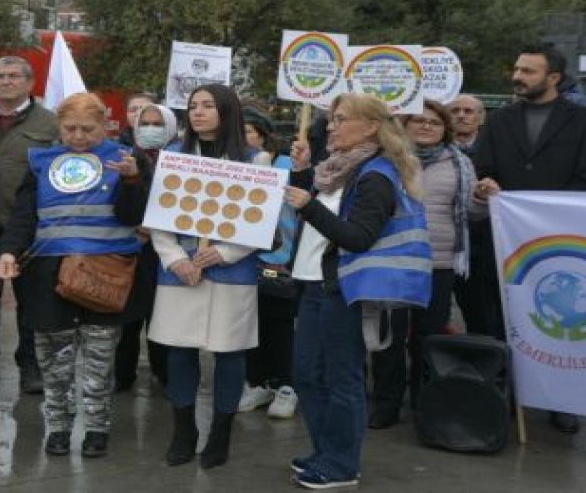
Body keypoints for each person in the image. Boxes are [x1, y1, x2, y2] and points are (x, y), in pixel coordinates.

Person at [283, 93, 429, 490]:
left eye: (341, 118)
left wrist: (309, 205)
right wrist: (301, 175)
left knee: (340, 379)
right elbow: (312, 212)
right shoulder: (338, 168)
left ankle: (342, 465)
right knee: (307, 375)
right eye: (331, 118)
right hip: (315, 283)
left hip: (342, 290)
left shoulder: (377, 175)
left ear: (370, 127)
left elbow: (358, 238)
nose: (331, 125)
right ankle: (325, 453)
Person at [0, 92, 150, 458]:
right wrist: (7, 251)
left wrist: (132, 181)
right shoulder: (41, 162)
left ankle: (97, 427)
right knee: (53, 358)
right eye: (70, 129)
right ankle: (59, 428)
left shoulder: (128, 159)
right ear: (58, 127)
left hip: (107, 272)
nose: (78, 136)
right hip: (48, 275)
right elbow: (23, 215)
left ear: (105, 125)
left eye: (88, 129)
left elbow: (136, 217)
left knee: (100, 357)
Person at [472, 45, 586, 434]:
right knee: (505, 314)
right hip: (506, 237)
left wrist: (547, 211)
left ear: (553, 78)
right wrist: (485, 185)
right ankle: (508, 391)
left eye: (527, 70)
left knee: (553, 320)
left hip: (559, 242)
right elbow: (483, 167)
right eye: (517, 68)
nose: (517, 76)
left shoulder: (585, 121)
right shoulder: (499, 120)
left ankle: (559, 400)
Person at [149, 84, 260, 470]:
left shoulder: (253, 160)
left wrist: (226, 252)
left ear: (226, 111)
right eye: (193, 106)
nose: (197, 112)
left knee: (230, 354)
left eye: (207, 106)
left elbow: (262, 221)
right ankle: (184, 431)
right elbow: (159, 218)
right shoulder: (174, 157)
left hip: (233, 272)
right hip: (182, 271)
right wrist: (176, 258)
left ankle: (220, 434)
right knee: (179, 350)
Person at [369, 100, 478, 430]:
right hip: (394, 260)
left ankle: (423, 400)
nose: (427, 126)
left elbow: (473, 213)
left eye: (435, 122)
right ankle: (386, 404)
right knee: (390, 336)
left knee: (428, 337)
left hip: (439, 264)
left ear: (445, 129)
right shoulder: (386, 160)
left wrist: (484, 198)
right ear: (405, 124)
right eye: (420, 120)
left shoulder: (460, 164)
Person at [0, 55, 57, 393]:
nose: (5, 81)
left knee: (30, 302)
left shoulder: (51, 124)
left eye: (14, 76)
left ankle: (30, 365)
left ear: (30, 83)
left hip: (29, 224)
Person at [236, 108, 300, 420]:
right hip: (244, 261)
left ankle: (286, 385)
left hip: (283, 259)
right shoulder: (234, 166)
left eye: (248, 132)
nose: (243, 139)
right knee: (250, 324)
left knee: (280, 324)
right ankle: (255, 382)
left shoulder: (289, 166)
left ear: (263, 135)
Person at [114, 101, 176, 393]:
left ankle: (164, 374)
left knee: (162, 314)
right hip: (130, 244)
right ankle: (122, 375)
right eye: (145, 123)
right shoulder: (124, 154)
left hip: (165, 249)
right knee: (127, 314)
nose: (151, 129)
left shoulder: (182, 158)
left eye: (158, 124)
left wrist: (157, 227)